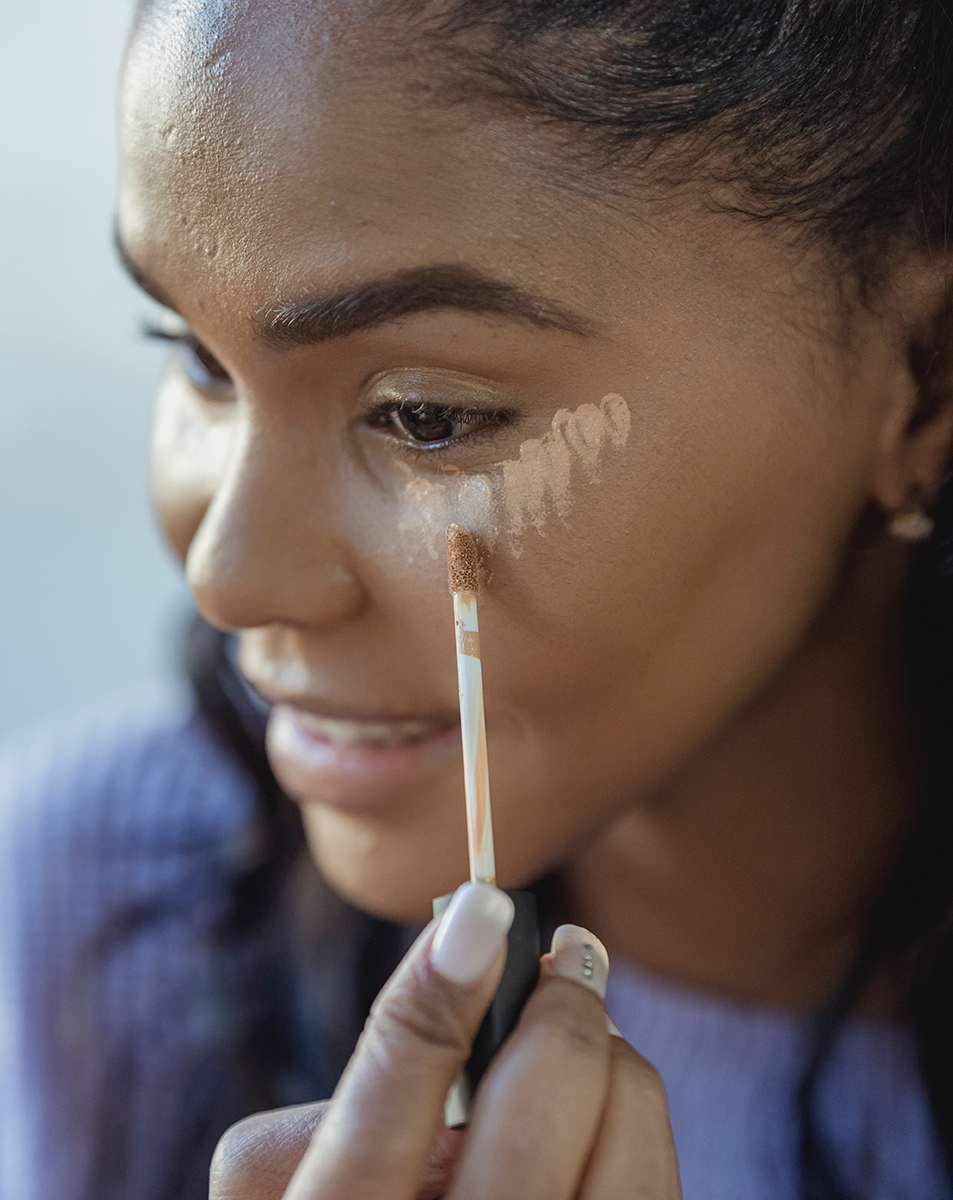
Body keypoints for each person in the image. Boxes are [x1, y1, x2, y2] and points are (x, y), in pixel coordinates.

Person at [3, 0, 953, 1197]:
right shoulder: (93, 908)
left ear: (921, 379)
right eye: (195, 357)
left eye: (426, 416)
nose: (226, 578)